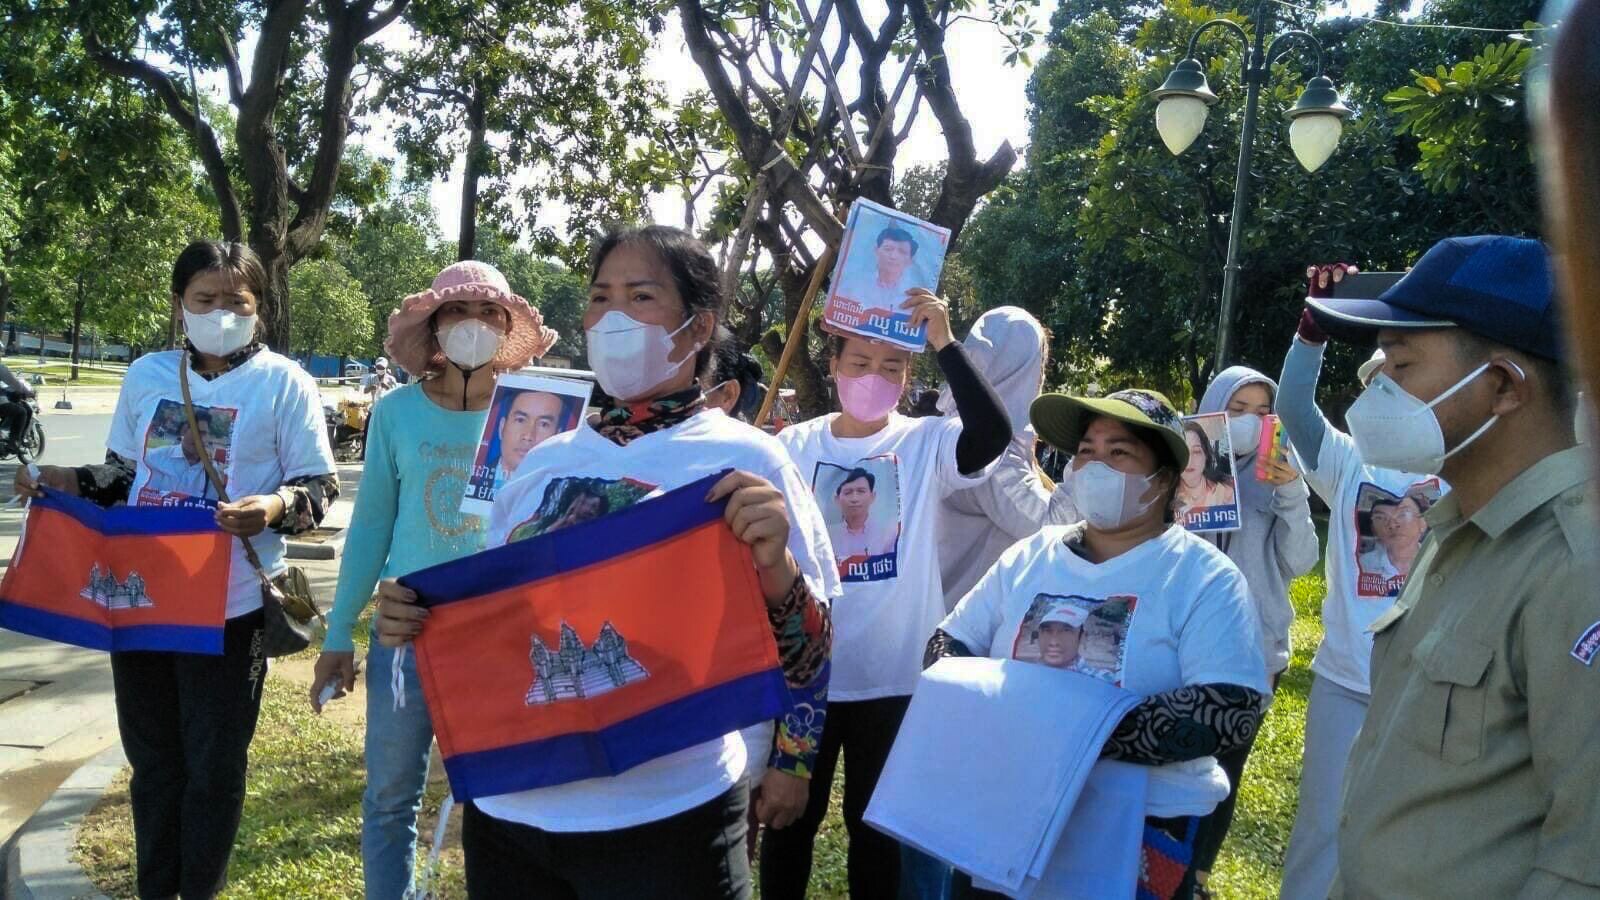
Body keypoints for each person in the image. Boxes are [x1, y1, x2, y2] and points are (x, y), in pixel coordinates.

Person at [374, 225, 838, 899]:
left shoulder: (749, 463)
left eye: (641, 296)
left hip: (672, 814)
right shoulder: (538, 466)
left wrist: (777, 573)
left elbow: (810, 654)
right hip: (513, 818)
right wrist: (414, 617)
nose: (613, 316)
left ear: (698, 324)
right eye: (599, 298)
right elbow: (506, 632)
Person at [14, 240, 338, 900]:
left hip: (232, 605)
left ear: (260, 309)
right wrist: (62, 478)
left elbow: (319, 489)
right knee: (154, 764)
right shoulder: (148, 375)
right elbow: (121, 477)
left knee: (215, 768)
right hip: (142, 602)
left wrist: (274, 505)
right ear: (180, 306)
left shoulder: (285, 383)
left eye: (236, 302)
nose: (221, 312)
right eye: (205, 300)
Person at [1305, 235, 1600, 898]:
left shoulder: (1576, 570)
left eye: (1401, 365)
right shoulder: (1456, 531)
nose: (1372, 383)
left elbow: (1582, 865)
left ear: (1501, 387)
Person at [928, 387, 1269, 900]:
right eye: (1086, 450)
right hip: (1008, 810)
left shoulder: (1204, 577)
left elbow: (1229, 709)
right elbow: (947, 644)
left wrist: (1065, 729)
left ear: (1165, 479)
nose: (1094, 465)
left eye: (1119, 452)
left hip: (1142, 830)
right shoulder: (1030, 556)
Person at [310, 259, 556, 900]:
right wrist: (340, 633)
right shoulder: (395, 415)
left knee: (502, 799)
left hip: (503, 635)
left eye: (489, 315)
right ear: (434, 326)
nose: (472, 325)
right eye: (457, 312)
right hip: (406, 628)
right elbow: (370, 531)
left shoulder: (541, 421)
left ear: (507, 330)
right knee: (390, 795)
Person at [764, 287, 1011, 899]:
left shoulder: (926, 442)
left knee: (876, 834)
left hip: (896, 683)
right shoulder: (794, 447)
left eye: (892, 367)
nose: (874, 376)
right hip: (804, 681)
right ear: (833, 367)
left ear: (907, 377)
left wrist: (945, 342)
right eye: (859, 363)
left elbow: (992, 434)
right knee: (788, 823)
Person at [1273, 263, 1446, 900]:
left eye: (1405, 383)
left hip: (1431, 685)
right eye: (1381, 383)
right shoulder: (1348, 459)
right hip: (1346, 680)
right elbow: (1292, 408)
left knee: (1410, 840)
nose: (1390, 398)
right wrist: (1311, 331)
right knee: (1321, 829)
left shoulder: (1463, 461)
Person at [1185, 366, 1320, 895]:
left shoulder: (1281, 474)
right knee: (1177, 765)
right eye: (1237, 409)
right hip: (1188, 638)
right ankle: (1157, 860)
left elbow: (1303, 561)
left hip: (1254, 647)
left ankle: (1197, 874)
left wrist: (1290, 492)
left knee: (1225, 770)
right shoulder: (1187, 464)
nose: (1249, 422)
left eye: (1262, 412)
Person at [935, 306, 1054, 608]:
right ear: (1023, 366)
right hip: (967, 627)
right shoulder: (992, 450)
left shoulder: (955, 431)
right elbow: (1049, 528)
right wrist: (1091, 468)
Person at [495, 389, 571, 485]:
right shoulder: (472, 474)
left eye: (543, 424)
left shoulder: (561, 489)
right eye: (520, 420)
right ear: (502, 428)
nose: (528, 436)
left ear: (557, 437)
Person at [143, 409, 215, 498]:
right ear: (184, 431)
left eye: (203, 433)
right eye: (195, 431)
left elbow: (210, 507)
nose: (198, 438)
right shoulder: (155, 457)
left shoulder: (212, 473)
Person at [1174, 420, 1235, 524]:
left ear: (1206, 455)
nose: (1189, 460)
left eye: (1196, 451)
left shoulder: (1226, 491)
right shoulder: (1166, 497)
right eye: (1183, 451)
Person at [855, 226, 922, 311]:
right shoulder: (855, 284)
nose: (893, 256)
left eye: (902, 252)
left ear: (910, 260)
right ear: (876, 250)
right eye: (888, 249)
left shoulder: (915, 296)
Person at [0, 360, 35, 454]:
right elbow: (15, 384)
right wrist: (28, 393)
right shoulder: (1, 368)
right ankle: (14, 443)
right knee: (21, 412)